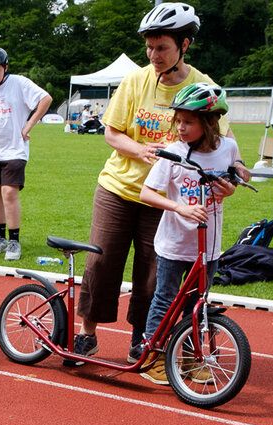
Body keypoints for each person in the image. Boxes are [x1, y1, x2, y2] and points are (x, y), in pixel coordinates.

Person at [73, 2, 248, 364]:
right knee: (102, 262)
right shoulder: (136, 80)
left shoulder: (204, 87)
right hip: (120, 187)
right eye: (149, 47)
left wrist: (234, 177)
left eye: (162, 47)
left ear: (185, 45)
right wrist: (141, 150)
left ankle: (143, 340)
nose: (153, 55)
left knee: (154, 274)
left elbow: (225, 145)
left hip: (167, 198)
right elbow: (111, 132)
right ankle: (87, 333)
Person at [136, 83, 239, 384]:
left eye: (188, 122)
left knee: (199, 304)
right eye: (178, 121)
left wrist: (228, 190)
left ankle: (191, 359)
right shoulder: (174, 154)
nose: (180, 127)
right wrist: (178, 208)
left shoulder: (228, 149)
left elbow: (232, 181)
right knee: (165, 299)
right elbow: (146, 193)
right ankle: (152, 356)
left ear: (209, 123)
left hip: (208, 247)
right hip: (174, 243)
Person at [0, 47, 52, 262]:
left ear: (5, 68)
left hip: (14, 149)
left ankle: (14, 240)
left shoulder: (19, 83)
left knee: (9, 193)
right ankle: (0, 238)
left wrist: (29, 125)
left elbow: (46, 99)